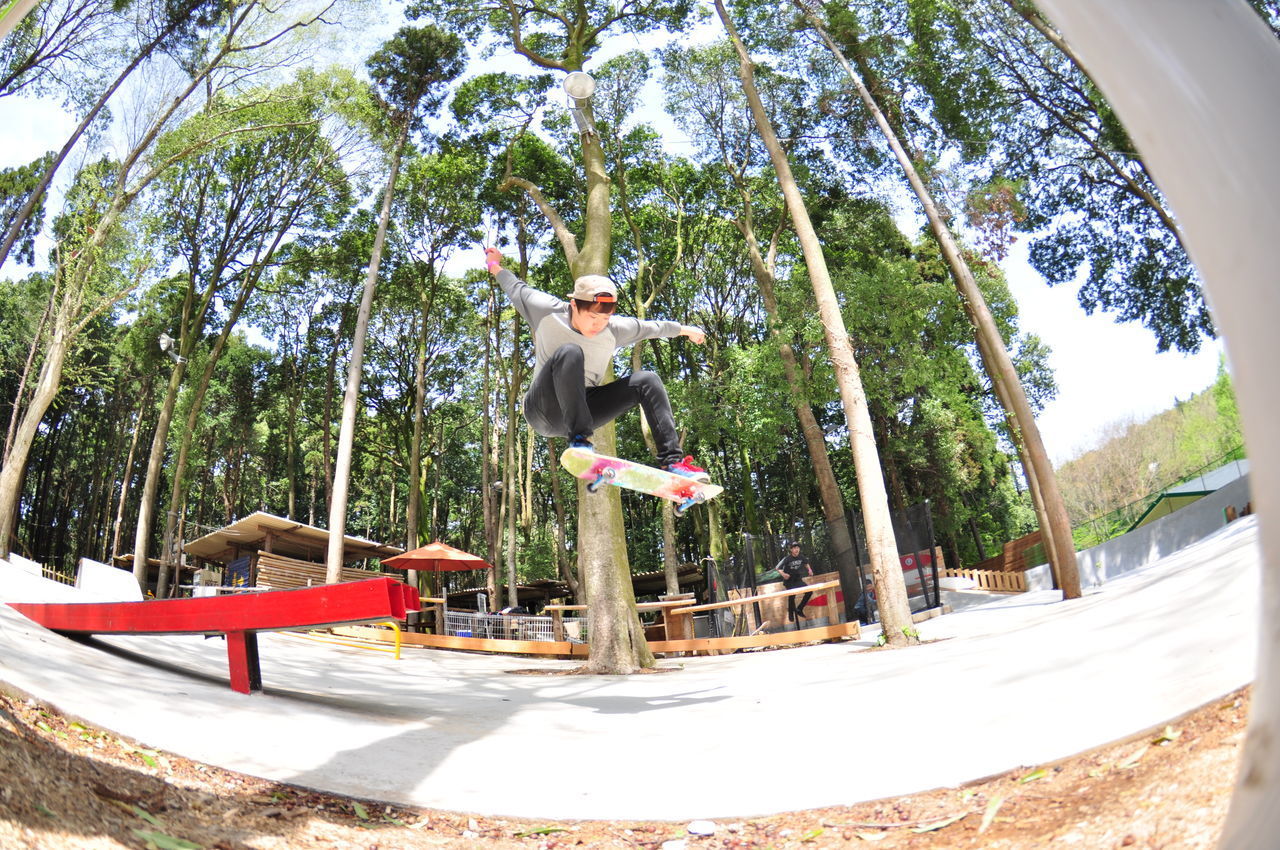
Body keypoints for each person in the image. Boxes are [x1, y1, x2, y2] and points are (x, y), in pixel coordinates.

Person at [484, 247, 710, 481]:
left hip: (584, 406)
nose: (598, 325)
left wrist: (686, 330)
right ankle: (581, 442)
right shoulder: (545, 310)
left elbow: (651, 327)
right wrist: (493, 264)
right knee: (570, 352)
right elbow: (514, 287)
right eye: (592, 317)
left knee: (647, 380)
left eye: (604, 319)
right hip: (543, 408)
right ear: (574, 306)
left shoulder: (615, 329)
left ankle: (673, 464)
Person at [774, 541, 814, 623]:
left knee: (809, 592)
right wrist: (784, 574)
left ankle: (799, 608)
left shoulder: (801, 557)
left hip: (798, 579)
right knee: (792, 596)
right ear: (791, 550)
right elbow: (777, 568)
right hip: (789, 581)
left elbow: (806, 563)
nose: (796, 549)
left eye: (798, 548)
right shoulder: (787, 558)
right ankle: (791, 613)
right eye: (794, 548)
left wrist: (809, 570)